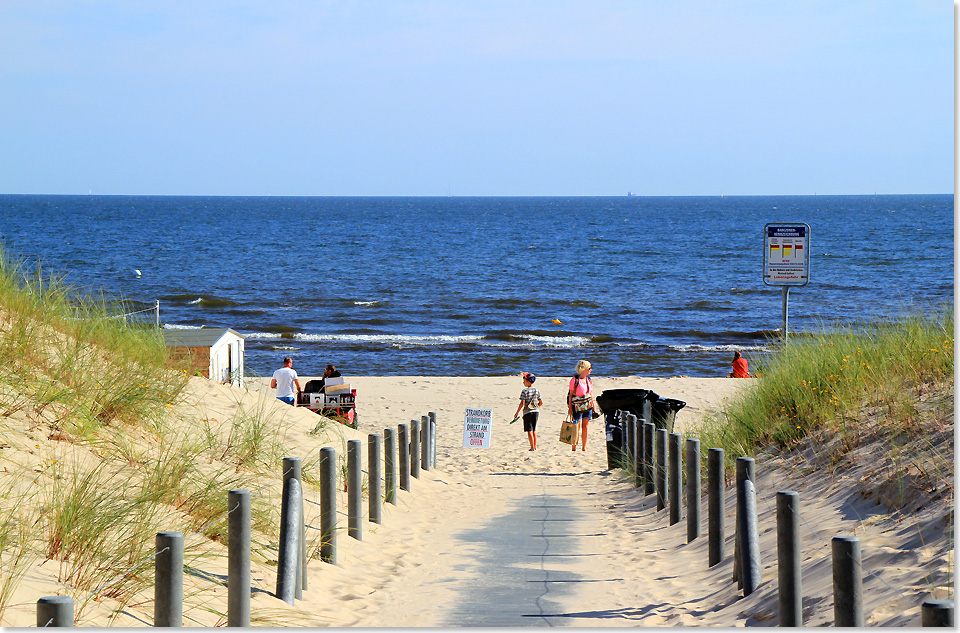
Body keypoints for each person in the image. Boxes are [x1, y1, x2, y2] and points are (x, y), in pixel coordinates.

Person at [567, 359, 595, 452]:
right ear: (584, 369)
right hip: (577, 406)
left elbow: (590, 394)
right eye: (589, 368)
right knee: (576, 427)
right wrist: (570, 408)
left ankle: (584, 447)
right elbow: (571, 395)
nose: (591, 370)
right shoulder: (575, 380)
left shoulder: (589, 380)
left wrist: (593, 406)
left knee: (585, 427)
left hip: (587, 405)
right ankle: (574, 447)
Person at [512, 372, 542, 451]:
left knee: (529, 430)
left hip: (527, 412)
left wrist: (517, 412)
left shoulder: (525, 391)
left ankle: (532, 447)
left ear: (528, 381)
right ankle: (535, 446)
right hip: (536, 411)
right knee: (534, 430)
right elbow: (541, 402)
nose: (523, 382)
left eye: (524, 380)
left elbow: (522, 402)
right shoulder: (537, 390)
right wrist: (536, 407)